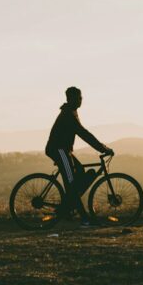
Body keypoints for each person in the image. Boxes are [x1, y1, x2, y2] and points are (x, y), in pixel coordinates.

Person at [45, 86, 113, 226]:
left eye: (81, 97)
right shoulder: (68, 114)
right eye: (78, 97)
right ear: (71, 99)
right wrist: (103, 148)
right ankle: (84, 217)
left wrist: (102, 148)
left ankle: (68, 206)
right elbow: (83, 133)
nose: (81, 100)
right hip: (59, 151)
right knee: (71, 185)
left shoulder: (71, 112)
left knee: (81, 172)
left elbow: (83, 133)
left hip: (64, 151)